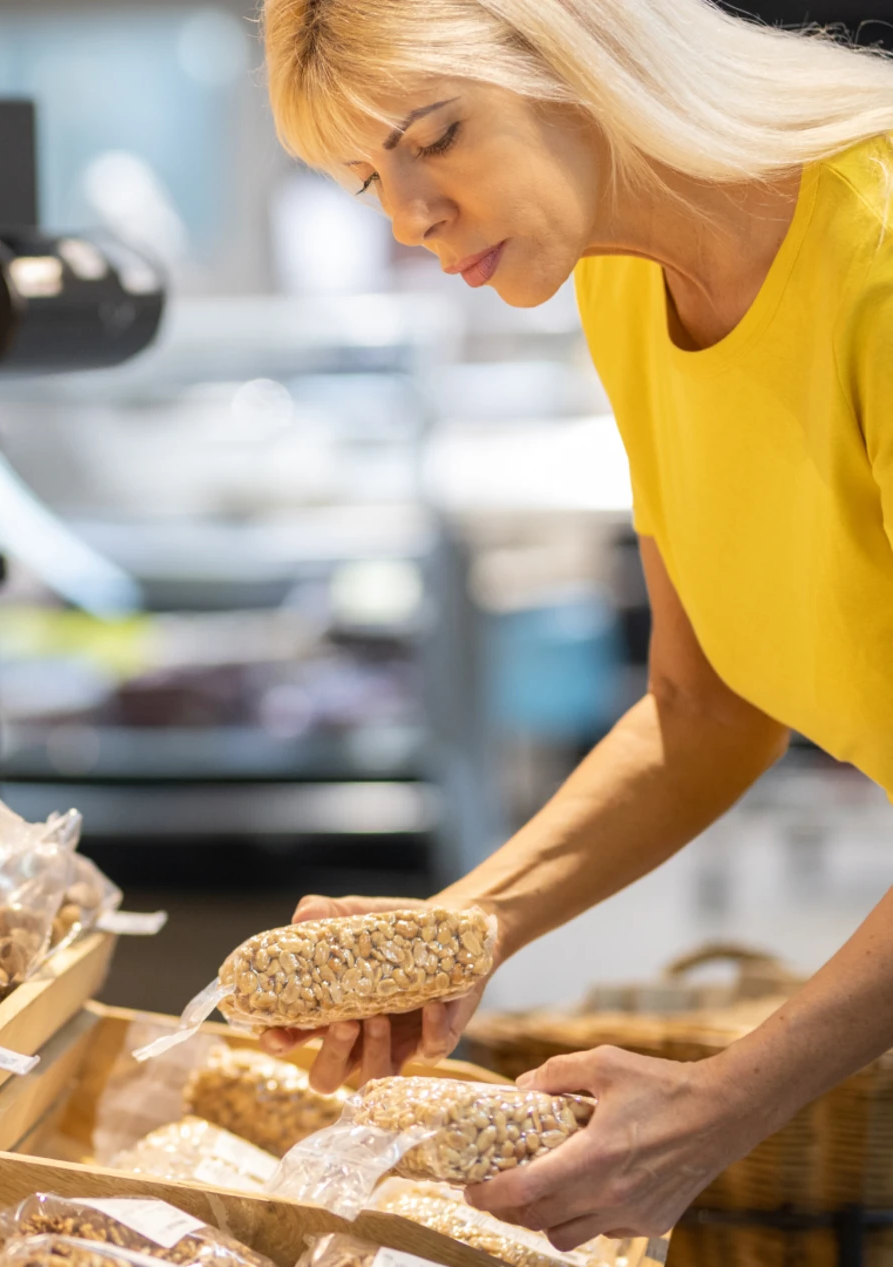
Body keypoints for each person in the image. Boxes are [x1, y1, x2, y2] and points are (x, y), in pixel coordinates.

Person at [256, 0, 893, 1249]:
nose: (409, 215)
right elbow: (704, 707)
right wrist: (461, 926)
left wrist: (723, 1103)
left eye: (434, 136)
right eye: (368, 179)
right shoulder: (624, 286)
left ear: (582, 56)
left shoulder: (872, 254)